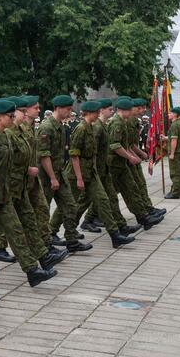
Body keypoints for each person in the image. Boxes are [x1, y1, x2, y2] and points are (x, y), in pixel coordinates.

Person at [0, 99, 58, 288]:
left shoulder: (5, 135)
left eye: (14, 115)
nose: (13, 119)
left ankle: (32, 271)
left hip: (3, 196)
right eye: (10, 116)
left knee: (16, 232)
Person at [64, 101, 136, 248]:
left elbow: (94, 153)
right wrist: (79, 177)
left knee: (103, 201)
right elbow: (74, 155)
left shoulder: (91, 127)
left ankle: (115, 235)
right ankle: (66, 236)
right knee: (68, 206)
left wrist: (95, 170)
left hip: (92, 172)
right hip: (79, 174)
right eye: (96, 112)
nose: (99, 114)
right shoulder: (81, 128)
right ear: (89, 113)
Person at [37, 95, 91, 251]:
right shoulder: (46, 127)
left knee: (70, 206)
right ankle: (44, 245)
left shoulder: (60, 125)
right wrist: (53, 178)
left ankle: (72, 240)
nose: (70, 112)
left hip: (59, 173)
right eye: (67, 109)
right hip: (47, 176)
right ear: (58, 108)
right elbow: (44, 155)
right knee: (42, 212)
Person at [107, 98, 163, 229]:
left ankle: (143, 218)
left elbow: (127, 144)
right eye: (130, 109)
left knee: (131, 189)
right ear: (123, 110)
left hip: (122, 163)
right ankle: (93, 218)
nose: (135, 111)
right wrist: (130, 157)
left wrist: (134, 155)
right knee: (109, 194)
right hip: (114, 164)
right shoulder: (117, 123)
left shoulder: (123, 121)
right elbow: (115, 145)